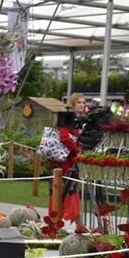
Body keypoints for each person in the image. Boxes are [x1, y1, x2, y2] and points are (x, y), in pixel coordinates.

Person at [51, 93, 85, 223]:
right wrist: (78, 150)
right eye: (79, 102)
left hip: (70, 161)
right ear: (72, 104)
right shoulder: (67, 118)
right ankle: (57, 223)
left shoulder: (76, 119)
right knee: (64, 192)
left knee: (71, 193)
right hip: (64, 162)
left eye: (83, 102)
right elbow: (64, 137)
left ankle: (77, 223)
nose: (82, 105)